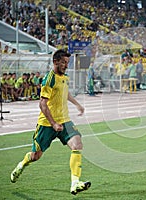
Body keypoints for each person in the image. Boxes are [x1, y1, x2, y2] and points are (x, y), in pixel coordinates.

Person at [10, 49, 91, 195]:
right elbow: (42, 104)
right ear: (55, 62)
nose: (66, 65)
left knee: (77, 144)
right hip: (47, 124)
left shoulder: (64, 77)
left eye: (67, 62)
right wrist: (53, 123)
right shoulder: (49, 78)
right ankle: (21, 165)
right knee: (36, 156)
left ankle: (75, 183)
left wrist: (77, 104)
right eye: (64, 63)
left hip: (64, 121)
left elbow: (65, 93)